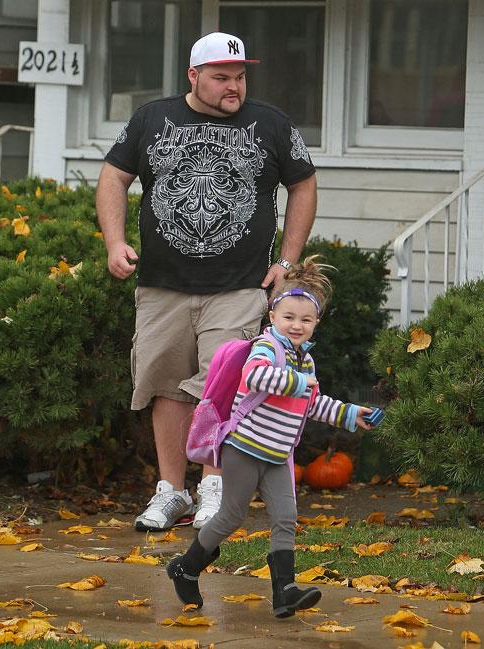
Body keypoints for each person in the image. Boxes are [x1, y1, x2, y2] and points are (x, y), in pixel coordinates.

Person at [95, 31, 317, 532]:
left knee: (224, 384)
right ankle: (172, 493)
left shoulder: (271, 124)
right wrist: (114, 241)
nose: (233, 86)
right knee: (166, 388)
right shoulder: (152, 118)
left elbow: (303, 183)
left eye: (239, 77)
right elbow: (113, 175)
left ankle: (214, 487)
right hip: (162, 284)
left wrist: (288, 258)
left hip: (239, 286)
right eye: (221, 77)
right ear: (193, 76)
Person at [166, 256, 373, 617]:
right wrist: (296, 381)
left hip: (278, 455)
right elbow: (255, 377)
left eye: (306, 320)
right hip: (244, 449)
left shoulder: (304, 362)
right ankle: (186, 568)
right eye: (289, 317)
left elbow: (311, 403)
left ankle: (285, 592)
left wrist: (352, 415)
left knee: (286, 518)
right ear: (273, 316)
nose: (297, 325)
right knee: (231, 516)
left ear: (316, 324)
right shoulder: (267, 347)